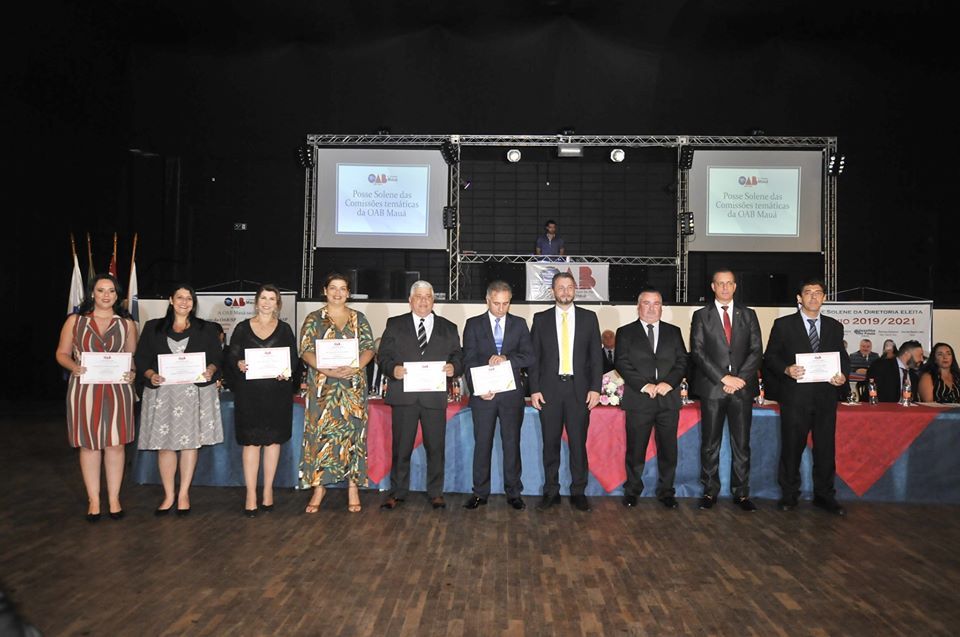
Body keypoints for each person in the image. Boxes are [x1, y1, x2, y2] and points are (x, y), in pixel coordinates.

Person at [764, 278, 850, 515]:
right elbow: (770, 357)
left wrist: (842, 375)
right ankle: (789, 495)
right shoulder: (783, 325)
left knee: (825, 449)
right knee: (792, 448)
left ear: (824, 298)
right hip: (795, 397)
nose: (813, 296)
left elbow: (842, 358)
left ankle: (825, 496)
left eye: (818, 292)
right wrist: (786, 369)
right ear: (799, 298)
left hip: (826, 397)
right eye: (808, 292)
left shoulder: (834, 326)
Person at [55, 273, 138, 521]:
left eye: (111, 291)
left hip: (118, 390)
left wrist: (132, 373)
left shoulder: (127, 324)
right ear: (92, 293)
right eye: (101, 290)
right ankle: (93, 500)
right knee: (89, 444)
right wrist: (74, 367)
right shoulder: (76, 321)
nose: (106, 295)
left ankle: (114, 499)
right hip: (85, 389)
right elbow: (61, 353)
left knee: (116, 444)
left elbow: (131, 358)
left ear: (117, 295)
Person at [136, 284, 224, 516]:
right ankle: (168, 495)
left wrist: (211, 370)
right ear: (171, 300)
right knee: (165, 445)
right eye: (180, 297)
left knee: (189, 444)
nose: (184, 302)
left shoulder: (206, 329)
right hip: (162, 394)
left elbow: (217, 357)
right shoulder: (153, 327)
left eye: (189, 298)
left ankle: (183, 493)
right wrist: (150, 375)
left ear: (193, 303)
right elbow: (141, 359)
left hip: (194, 394)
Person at [378, 280, 463, 510]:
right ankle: (397, 492)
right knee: (401, 448)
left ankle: (436, 492)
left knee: (436, 448)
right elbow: (383, 356)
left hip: (434, 398)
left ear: (433, 300)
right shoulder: (394, 324)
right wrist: (393, 369)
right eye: (418, 296)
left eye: (428, 297)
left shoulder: (449, 327)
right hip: (404, 396)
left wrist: (454, 368)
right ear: (410, 300)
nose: (423, 301)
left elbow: (458, 357)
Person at [298, 273, 375, 513]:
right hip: (323, 388)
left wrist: (356, 366)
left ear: (348, 293)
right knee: (320, 437)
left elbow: (369, 348)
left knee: (353, 437)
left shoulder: (358, 318)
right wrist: (325, 369)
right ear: (325, 290)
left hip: (352, 388)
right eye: (333, 288)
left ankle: (353, 487)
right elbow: (305, 350)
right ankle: (318, 488)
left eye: (343, 288)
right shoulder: (314, 318)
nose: (338, 293)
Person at [689, 269, 763, 511]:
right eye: (720, 283)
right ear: (713, 286)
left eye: (729, 283)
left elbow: (756, 350)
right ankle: (709, 492)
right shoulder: (701, 315)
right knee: (710, 444)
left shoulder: (749, 315)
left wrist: (739, 379)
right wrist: (724, 378)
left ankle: (741, 494)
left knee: (741, 444)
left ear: (735, 286)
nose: (724, 287)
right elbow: (698, 352)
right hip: (713, 388)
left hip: (742, 388)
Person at [529, 272, 603, 512]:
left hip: (578, 391)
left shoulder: (589, 318)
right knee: (550, 445)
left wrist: (595, 388)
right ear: (552, 291)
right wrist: (534, 389)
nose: (565, 291)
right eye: (560, 287)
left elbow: (596, 357)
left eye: (569, 287)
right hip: (549, 392)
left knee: (578, 445)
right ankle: (551, 491)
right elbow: (534, 359)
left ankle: (578, 491)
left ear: (575, 290)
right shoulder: (540, 319)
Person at [224, 284, 298, 517]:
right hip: (249, 395)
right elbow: (231, 357)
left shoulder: (285, 329)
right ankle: (250, 494)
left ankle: (267, 491)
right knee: (251, 443)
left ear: (278, 304)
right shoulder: (242, 328)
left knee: (273, 443)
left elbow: (293, 360)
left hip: (277, 395)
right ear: (256, 302)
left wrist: (286, 371)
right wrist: (238, 364)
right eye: (263, 298)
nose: (267, 302)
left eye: (272, 299)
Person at [462, 281, 535, 510]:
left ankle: (514, 493)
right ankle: (479, 493)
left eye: (505, 303)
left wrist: (507, 359)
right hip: (483, 395)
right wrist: (478, 388)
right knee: (482, 445)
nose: (501, 308)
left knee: (512, 445)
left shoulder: (519, 324)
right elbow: (468, 360)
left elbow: (529, 356)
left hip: (511, 396)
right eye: (496, 303)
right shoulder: (473, 324)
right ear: (487, 300)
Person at [616, 287, 689, 509]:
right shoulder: (625, 332)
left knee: (668, 450)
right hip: (639, 400)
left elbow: (682, 361)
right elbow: (622, 362)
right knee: (636, 450)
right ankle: (632, 491)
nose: (651, 308)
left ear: (661, 307)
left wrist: (669, 383)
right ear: (638, 307)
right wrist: (644, 385)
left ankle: (666, 492)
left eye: (656, 303)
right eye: (646, 303)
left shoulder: (674, 332)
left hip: (668, 400)